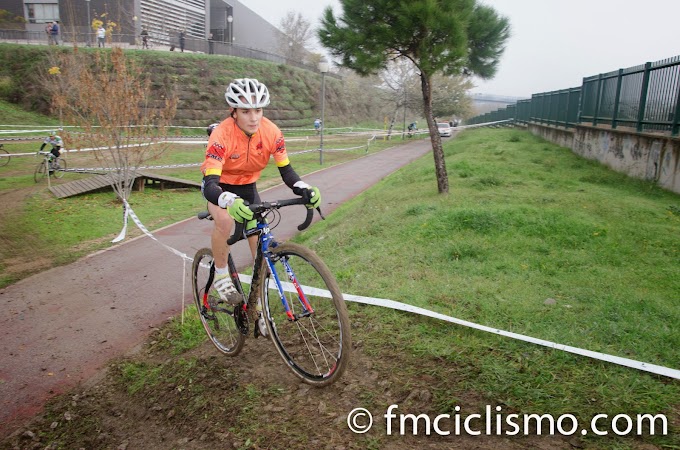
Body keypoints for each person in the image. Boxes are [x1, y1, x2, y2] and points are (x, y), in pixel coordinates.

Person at [200, 78, 321, 318]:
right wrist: (227, 200)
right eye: (245, 111)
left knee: (259, 243)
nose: (254, 117)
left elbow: (286, 171)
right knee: (224, 222)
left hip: (248, 186)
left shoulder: (271, 132)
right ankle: (222, 276)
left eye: (258, 110)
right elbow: (210, 184)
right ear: (233, 112)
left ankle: (257, 304)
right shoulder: (221, 134)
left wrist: (303, 187)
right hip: (220, 187)